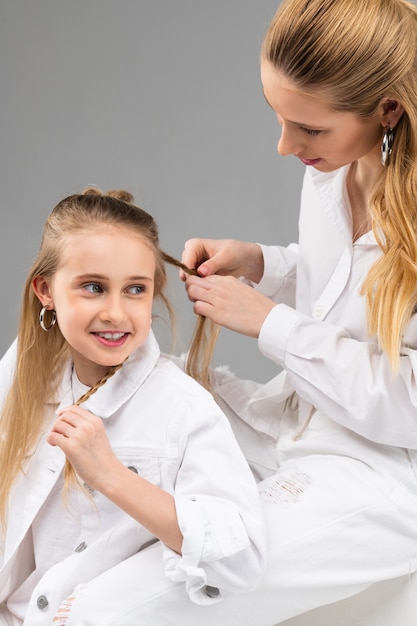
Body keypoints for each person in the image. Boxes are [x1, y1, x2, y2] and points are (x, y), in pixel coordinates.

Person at [56, 0, 417, 624]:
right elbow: (363, 285)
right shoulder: (336, 167)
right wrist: (263, 264)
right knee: (126, 395)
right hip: (292, 421)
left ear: (388, 108)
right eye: (279, 117)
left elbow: (407, 404)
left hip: (379, 472)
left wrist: (267, 322)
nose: (285, 145)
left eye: (309, 128)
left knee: (105, 609)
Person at [0, 187, 266, 625]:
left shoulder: (182, 408)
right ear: (46, 291)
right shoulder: (27, 379)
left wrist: (111, 476)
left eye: (135, 290)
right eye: (93, 288)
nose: (115, 313)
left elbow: (240, 559)